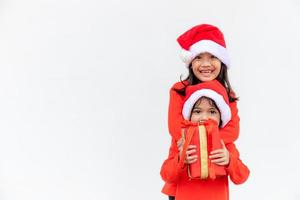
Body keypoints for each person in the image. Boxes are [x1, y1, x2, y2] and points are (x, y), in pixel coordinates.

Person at [161, 24, 243, 199]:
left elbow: (232, 130)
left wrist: (208, 144)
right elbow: (176, 129)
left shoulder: (228, 96)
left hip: (214, 187)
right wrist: (204, 140)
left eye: (213, 57)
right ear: (190, 62)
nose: (206, 64)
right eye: (198, 57)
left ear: (222, 61)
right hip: (182, 183)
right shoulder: (179, 90)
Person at [160, 80, 249, 200]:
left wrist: (229, 160)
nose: (204, 117)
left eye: (212, 112)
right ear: (189, 116)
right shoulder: (183, 142)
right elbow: (166, 175)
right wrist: (180, 159)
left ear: (221, 118)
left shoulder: (225, 145)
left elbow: (242, 177)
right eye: (197, 111)